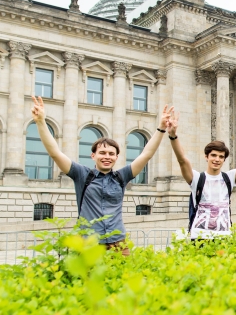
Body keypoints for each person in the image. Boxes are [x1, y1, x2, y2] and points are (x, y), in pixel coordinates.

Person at [30, 95, 172, 254]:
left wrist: (161, 129)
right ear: (93, 156)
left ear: (116, 157)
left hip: (118, 243)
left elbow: (146, 154)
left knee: (123, 278)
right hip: (89, 243)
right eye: (102, 153)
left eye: (111, 154)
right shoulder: (82, 175)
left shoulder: (121, 177)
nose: (107, 157)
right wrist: (41, 122)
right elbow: (55, 153)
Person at [167, 112, 236, 239]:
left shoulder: (228, 178)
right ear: (206, 157)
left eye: (221, 157)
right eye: (213, 155)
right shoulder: (197, 178)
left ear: (224, 160)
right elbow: (182, 160)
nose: (217, 159)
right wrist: (173, 136)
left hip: (224, 237)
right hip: (199, 237)